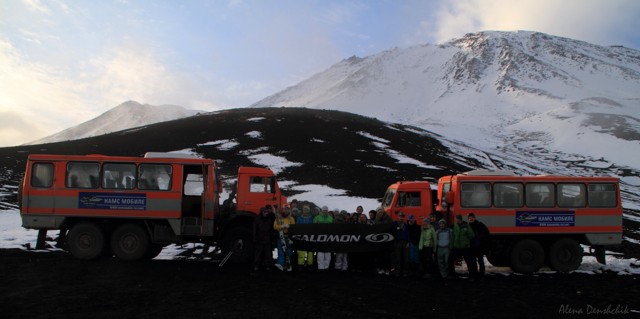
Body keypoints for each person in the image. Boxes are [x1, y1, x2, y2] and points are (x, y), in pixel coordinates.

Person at [452, 214, 476, 280]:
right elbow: (454, 235)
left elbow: (471, 235)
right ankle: (452, 274)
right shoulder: (456, 226)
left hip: (465, 247)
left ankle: (472, 276)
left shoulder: (466, 226)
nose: (455, 220)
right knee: (451, 259)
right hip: (457, 246)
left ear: (458, 219)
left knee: (468, 261)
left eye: (455, 219)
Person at [468, 212, 490, 279]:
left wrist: (482, 242)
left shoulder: (480, 225)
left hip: (479, 247)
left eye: (472, 217)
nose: (471, 219)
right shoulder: (469, 226)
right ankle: (476, 274)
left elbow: (486, 234)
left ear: (474, 218)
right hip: (473, 247)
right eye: (470, 218)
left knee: (480, 261)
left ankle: (481, 275)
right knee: (474, 262)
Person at [273, 205, 295, 271]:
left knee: (289, 250)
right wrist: (281, 227)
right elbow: (275, 226)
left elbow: (294, 227)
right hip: (281, 235)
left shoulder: (291, 218)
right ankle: (280, 263)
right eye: (283, 209)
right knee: (281, 250)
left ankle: (288, 264)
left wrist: (289, 227)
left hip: (288, 236)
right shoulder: (278, 218)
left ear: (288, 210)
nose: (285, 210)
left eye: (286, 209)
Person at [253, 206, 275, 271]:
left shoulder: (270, 219)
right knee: (258, 254)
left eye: (267, 212)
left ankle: (267, 265)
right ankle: (256, 265)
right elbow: (255, 230)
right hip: (259, 239)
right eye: (264, 212)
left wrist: (272, 238)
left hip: (267, 239)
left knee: (268, 253)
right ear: (261, 212)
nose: (266, 213)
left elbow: (271, 230)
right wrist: (255, 238)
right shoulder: (257, 219)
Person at [313, 205, 334, 272]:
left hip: (328, 237)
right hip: (319, 237)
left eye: (326, 210)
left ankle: (326, 267)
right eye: (324, 210)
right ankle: (321, 267)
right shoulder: (317, 217)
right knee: (320, 253)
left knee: (328, 253)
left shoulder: (330, 218)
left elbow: (334, 227)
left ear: (328, 211)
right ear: (322, 210)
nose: (325, 211)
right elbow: (312, 227)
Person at [295, 205, 315, 271]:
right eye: (304, 210)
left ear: (308, 211)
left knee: (310, 253)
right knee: (301, 251)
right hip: (301, 237)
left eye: (307, 210)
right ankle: (301, 265)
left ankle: (310, 265)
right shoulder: (299, 218)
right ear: (302, 211)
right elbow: (297, 227)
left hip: (309, 237)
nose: (305, 211)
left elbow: (313, 227)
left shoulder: (311, 218)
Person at [375, 207, 393, 275]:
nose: (380, 213)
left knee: (387, 255)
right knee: (380, 255)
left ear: (383, 212)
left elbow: (392, 226)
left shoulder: (388, 218)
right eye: (379, 212)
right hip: (379, 241)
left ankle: (387, 269)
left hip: (387, 240)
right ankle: (381, 268)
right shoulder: (376, 219)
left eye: (381, 212)